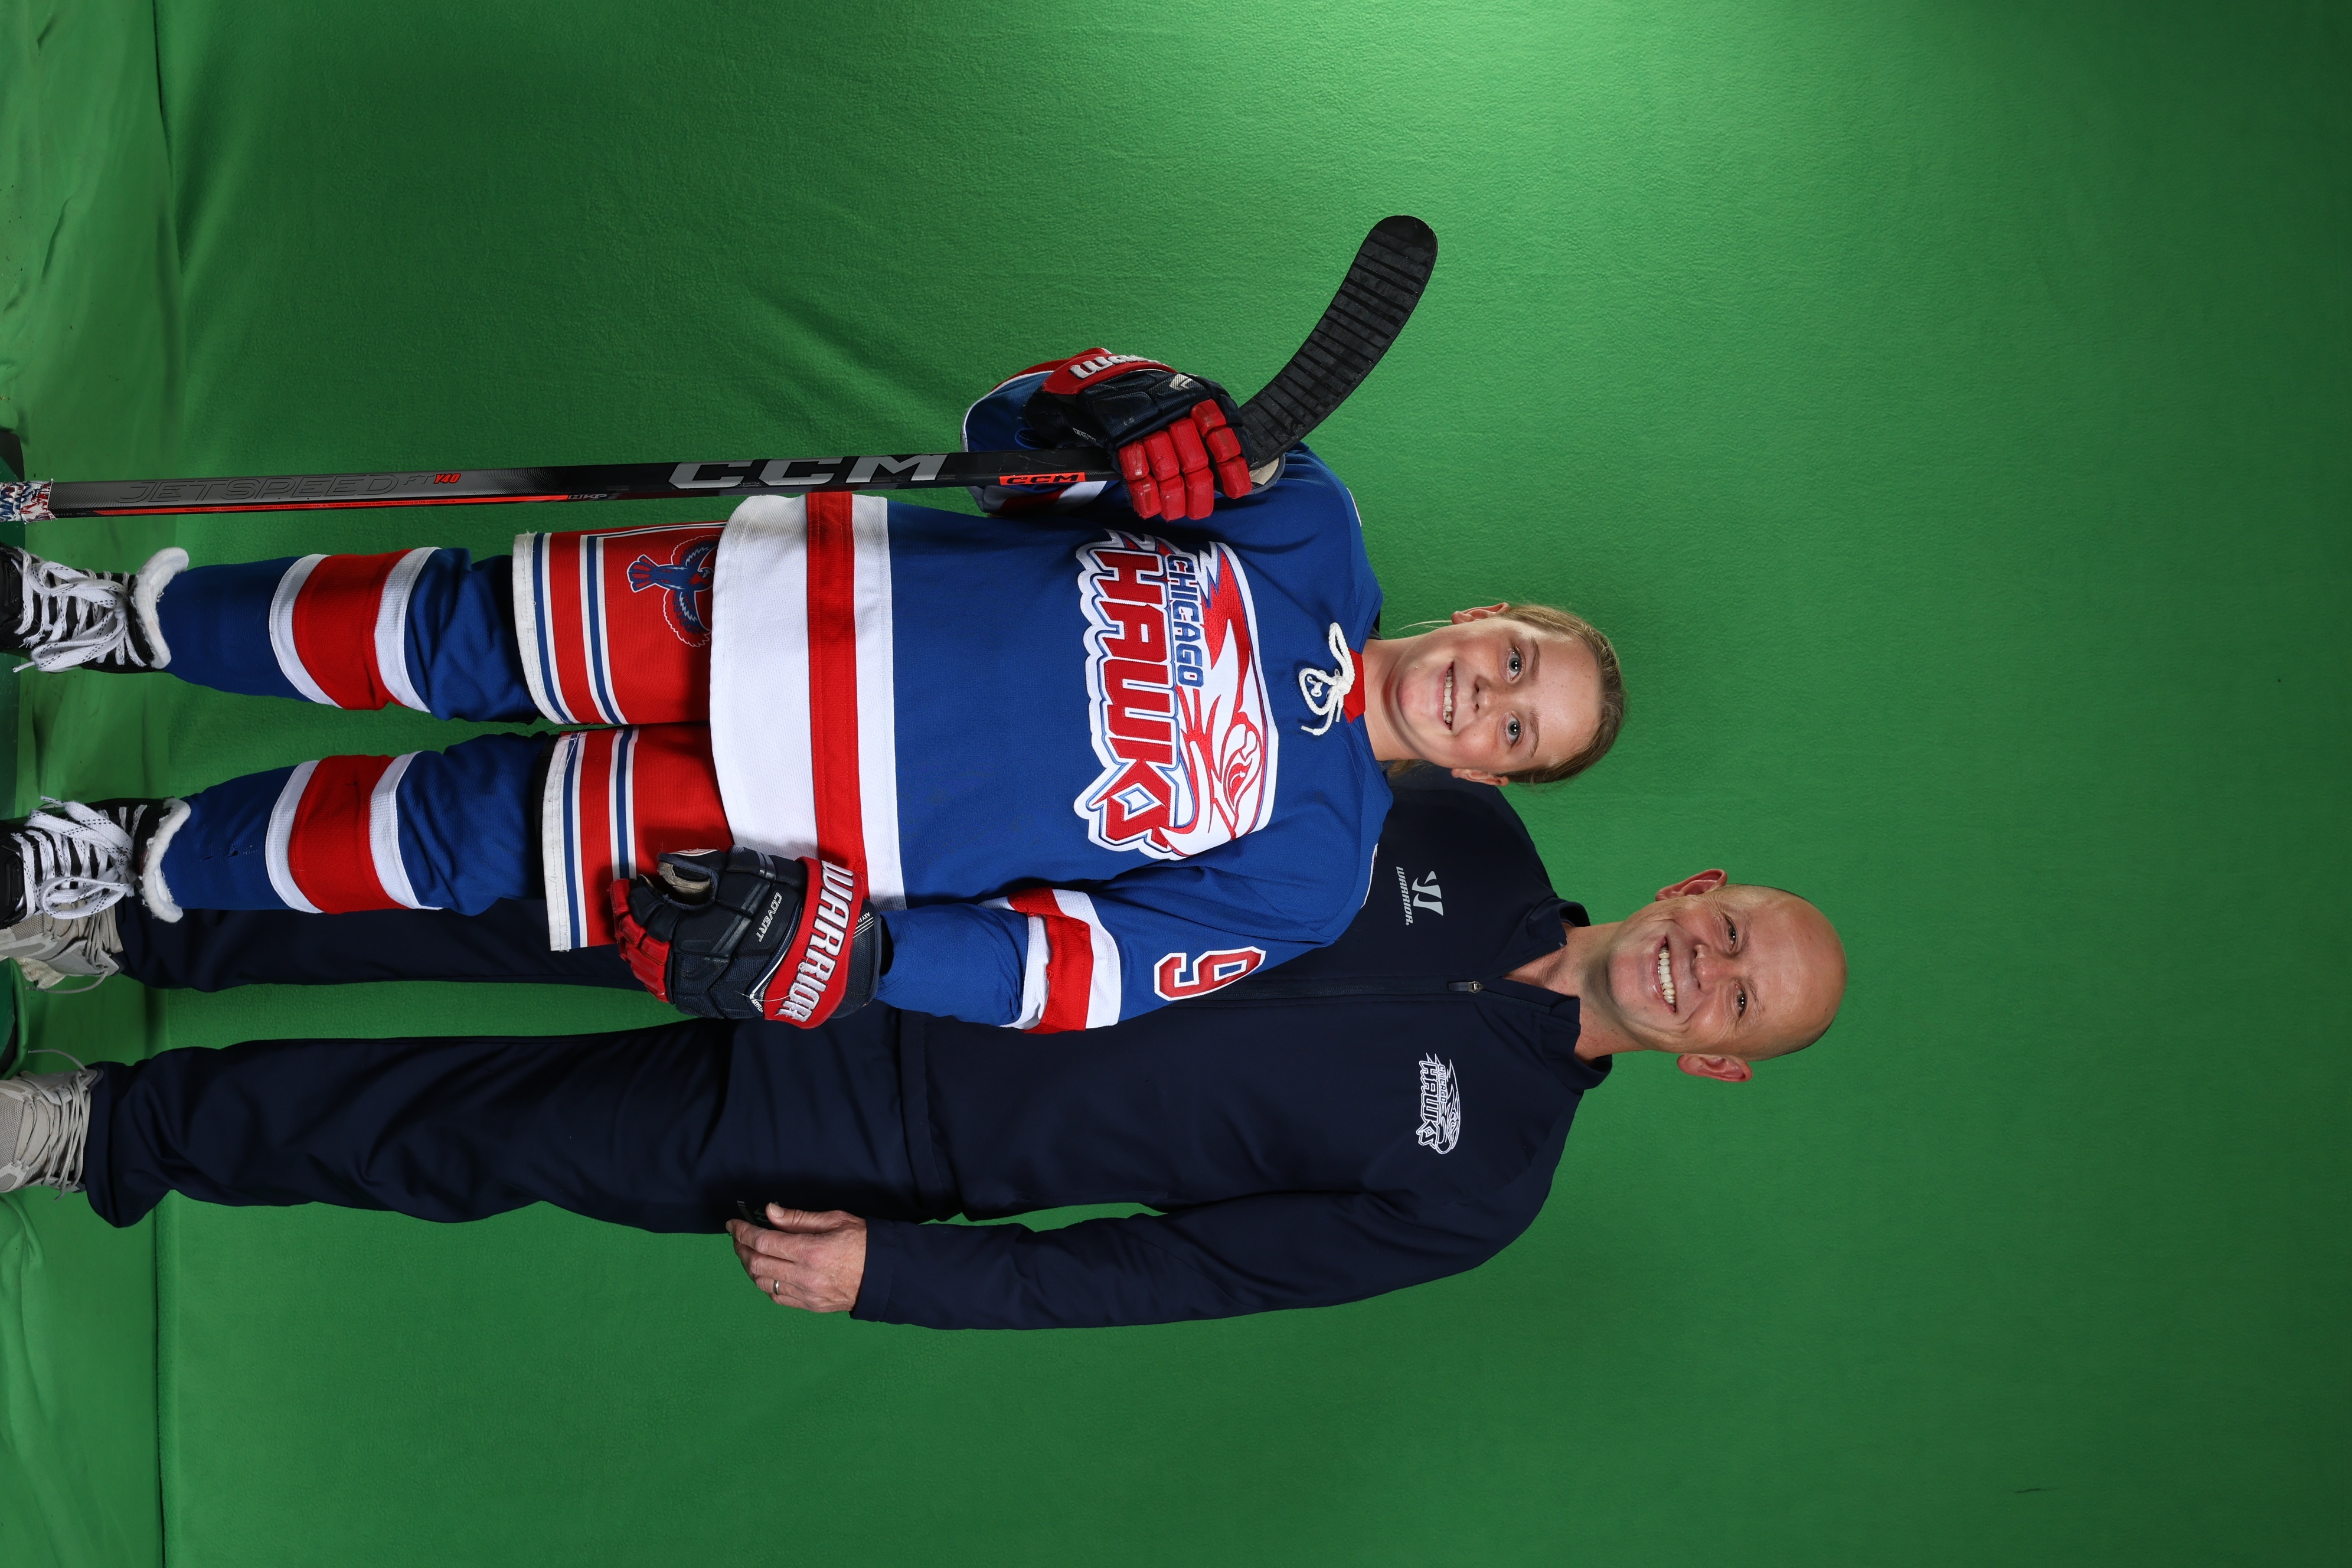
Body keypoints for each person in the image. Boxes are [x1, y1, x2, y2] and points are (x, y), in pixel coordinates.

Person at [0, 352, 1623, 1032]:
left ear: (1488, 777)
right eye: (1519, 660)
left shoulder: (1315, 876)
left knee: (446, 839)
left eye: (1517, 729)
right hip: (775, 604)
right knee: (440, 629)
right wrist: (1121, 406)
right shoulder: (1309, 521)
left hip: (779, 826)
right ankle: (111, 620)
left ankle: (118, 856)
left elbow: (1082, 973)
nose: (1488, 696)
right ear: (1488, 614)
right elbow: (1011, 428)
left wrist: (872, 958)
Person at [0, 773, 1845, 1330]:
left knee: (464, 1137)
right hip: (875, 917)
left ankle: (96, 1128)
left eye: (1738, 996)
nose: (1707, 967)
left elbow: (1175, 1274)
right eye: (1730, 927)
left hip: (882, 1131)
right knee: (508, 894)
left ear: (1721, 1063)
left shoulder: (1483, 1187)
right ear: (1696, 882)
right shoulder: (1452, 822)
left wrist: (900, 1278)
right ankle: (128, 918)